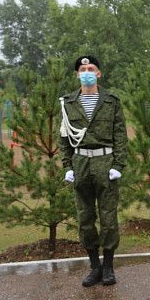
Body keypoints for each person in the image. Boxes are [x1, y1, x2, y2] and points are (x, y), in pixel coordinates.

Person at [59, 56, 127, 287]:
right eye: (82, 69)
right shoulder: (67, 103)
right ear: (77, 74)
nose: (87, 72)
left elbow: (120, 136)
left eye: (91, 69)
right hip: (81, 164)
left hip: (105, 163)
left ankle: (108, 267)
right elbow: (64, 139)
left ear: (98, 74)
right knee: (85, 218)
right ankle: (94, 267)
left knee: (108, 218)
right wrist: (67, 166)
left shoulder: (111, 101)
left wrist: (118, 166)